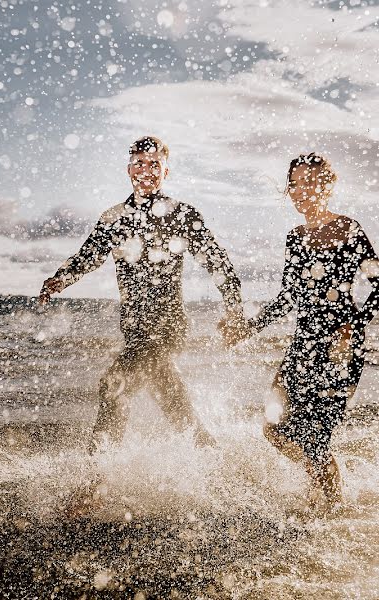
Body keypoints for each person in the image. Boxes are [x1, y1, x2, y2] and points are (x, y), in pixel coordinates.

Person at [40, 135, 244, 453]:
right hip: (135, 331)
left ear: (166, 172)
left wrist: (233, 310)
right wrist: (60, 280)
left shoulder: (181, 215)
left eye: (154, 165)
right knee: (175, 407)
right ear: (128, 169)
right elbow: (88, 257)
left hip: (167, 329)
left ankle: (98, 473)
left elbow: (220, 265)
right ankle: (214, 460)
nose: (146, 171)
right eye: (139, 164)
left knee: (113, 385)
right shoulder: (114, 218)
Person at [221, 153, 379, 509]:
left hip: (340, 349)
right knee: (274, 427)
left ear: (327, 185)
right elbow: (288, 298)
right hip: (303, 345)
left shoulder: (349, 229)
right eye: (294, 184)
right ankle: (325, 486)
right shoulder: (295, 238)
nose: (299, 192)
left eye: (308, 183)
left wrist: (353, 325)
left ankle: (325, 505)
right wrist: (248, 329)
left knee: (316, 438)